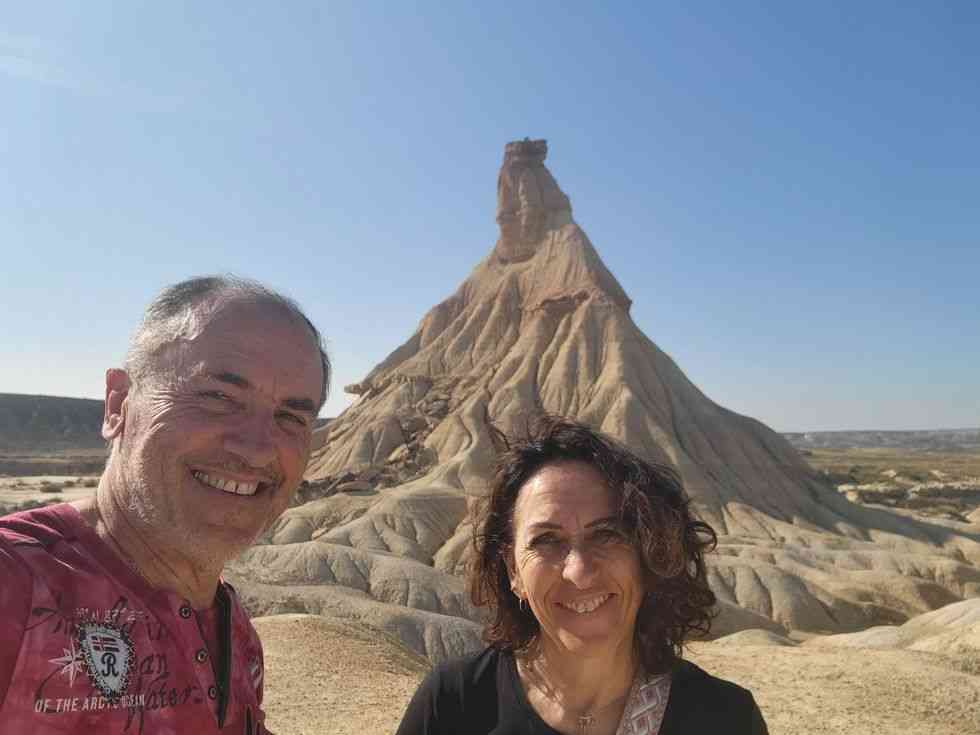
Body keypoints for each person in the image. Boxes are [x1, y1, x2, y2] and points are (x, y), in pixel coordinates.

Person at [0, 276, 329, 733]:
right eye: (219, 397)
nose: (257, 450)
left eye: (291, 417)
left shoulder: (235, 632)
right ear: (118, 404)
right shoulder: (16, 583)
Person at [396, 415, 768, 735]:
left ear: (648, 553)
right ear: (513, 571)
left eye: (606, 534)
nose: (580, 572)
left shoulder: (726, 719)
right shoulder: (453, 704)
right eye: (546, 540)